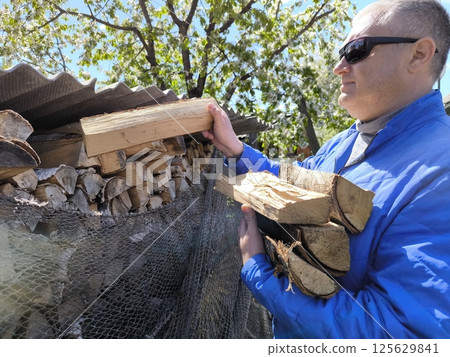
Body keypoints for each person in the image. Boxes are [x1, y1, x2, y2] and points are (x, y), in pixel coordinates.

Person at [202, 0, 450, 338]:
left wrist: (258, 272)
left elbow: (398, 333)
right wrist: (237, 149)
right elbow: (292, 182)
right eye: (341, 51)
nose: (339, 66)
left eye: (357, 49)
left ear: (418, 54)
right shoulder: (345, 141)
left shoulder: (441, 173)